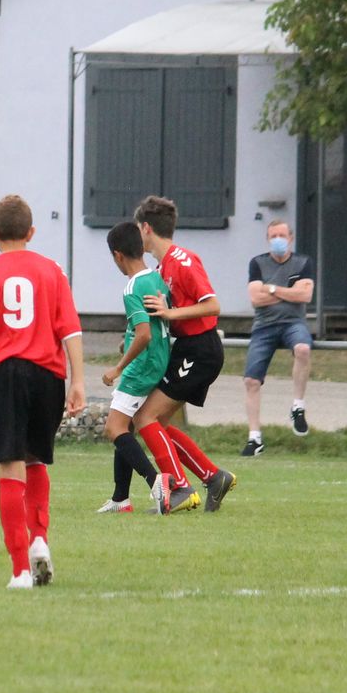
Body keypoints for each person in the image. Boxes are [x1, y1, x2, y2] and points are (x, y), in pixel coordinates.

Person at [0, 195, 86, 588]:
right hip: (49, 375)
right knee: (36, 459)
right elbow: (71, 329)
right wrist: (78, 381)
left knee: (10, 465)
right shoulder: (52, 271)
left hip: (7, 374)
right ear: (31, 232)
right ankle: (39, 538)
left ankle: (20, 570)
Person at [135, 195, 236, 511]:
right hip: (188, 348)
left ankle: (181, 488)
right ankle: (213, 477)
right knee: (157, 423)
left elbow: (212, 305)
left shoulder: (182, 260)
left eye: (138, 229)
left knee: (145, 417)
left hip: (200, 349)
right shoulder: (163, 265)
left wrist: (169, 313)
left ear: (146, 228)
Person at [97, 220, 202, 517]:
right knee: (127, 425)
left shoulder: (132, 286)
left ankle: (158, 482)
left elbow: (143, 334)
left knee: (114, 428)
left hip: (141, 367)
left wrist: (118, 368)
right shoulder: (156, 278)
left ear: (117, 255)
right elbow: (150, 327)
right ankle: (120, 498)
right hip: (159, 361)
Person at [241, 219, 315, 456]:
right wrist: (290, 293)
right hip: (264, 326)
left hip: (293, 323)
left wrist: (271, 288)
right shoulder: (257, 263)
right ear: (267, 239)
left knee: (303, 349)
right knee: (251, 381)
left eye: (282, 235)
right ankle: (255, 438)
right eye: (273, 236)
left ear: (291, 238)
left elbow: (305, 296)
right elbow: (255, 299)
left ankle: (298, 406)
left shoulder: (303, 262)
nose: (278, 240)